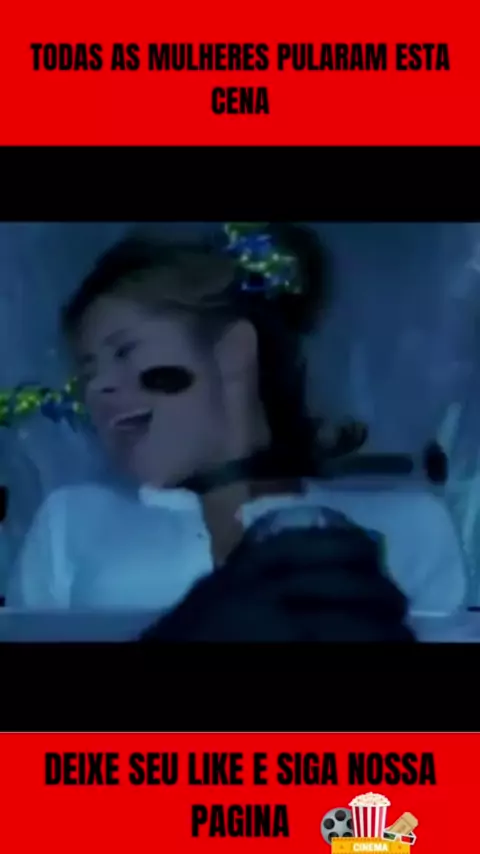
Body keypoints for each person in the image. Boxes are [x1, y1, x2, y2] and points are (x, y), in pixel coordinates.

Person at [5, 224, 466, 640]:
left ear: (233, 352)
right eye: (87, 373)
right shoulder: (71, 524)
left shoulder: (411, 527)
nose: (98, 387)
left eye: (125, 352)